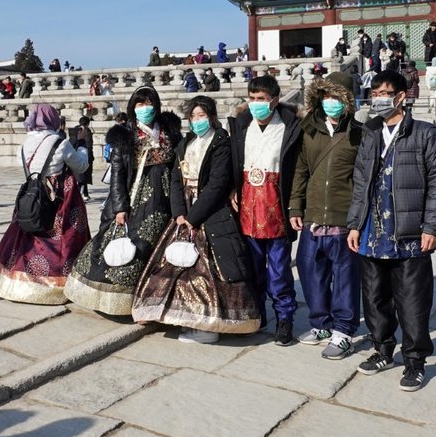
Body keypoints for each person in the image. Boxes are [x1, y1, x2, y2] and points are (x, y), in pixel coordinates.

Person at [347, 69, 436, 392]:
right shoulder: (370, 132)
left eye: (384, 93)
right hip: (372, 231)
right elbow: (360, 180)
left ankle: (415, 360)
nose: (378, 99)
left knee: (412, 300)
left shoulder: (424, 134)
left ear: (401, 97)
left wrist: (432, 226)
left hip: (409, 232)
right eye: (374, 93)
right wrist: (354, 223)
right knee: (375, 297)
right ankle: (382, 349)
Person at [133, 96, 259, 343]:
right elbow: (176, 179)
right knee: (174, 264)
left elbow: (217, 184)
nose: (197, 121)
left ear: (211, 116)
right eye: (193, 116)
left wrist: (193, 217)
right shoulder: (187, 143)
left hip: (210, 210)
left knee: (207, 271)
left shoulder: (221, 143)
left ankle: (208, 325)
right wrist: (179, 213)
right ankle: (177, 316)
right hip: (185, 211)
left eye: (201, 116)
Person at [64, 84, 180, 315]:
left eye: (148, 103)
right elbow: (118, 173)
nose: (144, 108)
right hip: (138, 198)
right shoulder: (125, 135)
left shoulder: (168, 131)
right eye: (139, 104)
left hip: (167, 198)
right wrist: (120, 207)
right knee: (136, 245)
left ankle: (155, 300)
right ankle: (119, 300)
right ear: (132, 107)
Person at [288, 73, 363, 359]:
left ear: (347, 101)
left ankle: (343, 330)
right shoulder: (310, 131)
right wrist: (296, 206)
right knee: (310, 271)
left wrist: (358, 218)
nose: (331, 103)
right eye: (326, 97)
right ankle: (321, 323)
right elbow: (300, 171)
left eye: (337, 98)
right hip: (313, 216)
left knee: (345, 275)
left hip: (344, 218)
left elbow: (363, 178)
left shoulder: (359, 134)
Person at [0, 104, 91, 304]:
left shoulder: (26, 142)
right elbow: (81, 165)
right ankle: (56, 283)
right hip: (58, 196)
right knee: (61, 235)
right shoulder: (59, 142)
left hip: (32, 192)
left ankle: (17, 281)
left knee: (27, 235)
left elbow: (24, 166)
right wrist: (81, 147)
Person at [229, 75, 302, 346]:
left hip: (276, 208)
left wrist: (296, 206)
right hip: (248, 207)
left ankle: (285, 319)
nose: (255, 104)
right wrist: (232, 189)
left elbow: (297, 172)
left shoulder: (290, 128)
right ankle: (257, 314)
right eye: (252, 98)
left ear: (274, 99)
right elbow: (235, 165)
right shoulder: (241, 126)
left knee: (280, 272)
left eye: (261, 99)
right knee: (253, 268)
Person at [74, 115, 94, 200]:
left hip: (74, 154)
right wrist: (90, 157)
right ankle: (81, 195)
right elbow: (89, 145)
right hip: (84, 154)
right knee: (83, 176)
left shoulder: (75, 130)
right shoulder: (86, 131)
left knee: (80, 176)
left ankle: (85, 193)